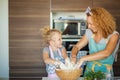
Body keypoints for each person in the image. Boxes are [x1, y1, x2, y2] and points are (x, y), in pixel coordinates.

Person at [71, 7, 120, 75]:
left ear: (101, 22)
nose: (88, 26)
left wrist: (83, 58)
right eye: (88, 23)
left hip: (105, 73)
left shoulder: (114, 35)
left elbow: (106, 53)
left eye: (91, 24)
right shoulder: (89, 32)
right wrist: (73, 56)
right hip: (89, 71)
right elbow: (77, 46)